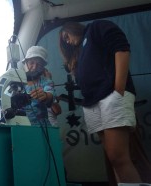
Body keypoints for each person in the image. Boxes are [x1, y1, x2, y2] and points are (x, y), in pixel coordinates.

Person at [59, 20, 142, 184]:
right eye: (64, 41)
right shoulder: (80, 51)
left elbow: (122, 48)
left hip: (111, 96)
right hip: (92, 103)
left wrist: (118, 89)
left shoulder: (95, 28)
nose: (66, 41)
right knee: (112, 159)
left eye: (65, 36)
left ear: (72, 28)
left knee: (119, 157)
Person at [22, 46, 55, 126]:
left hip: (42, 127)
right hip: (21, 126)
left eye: (39, 64)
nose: (34, 67)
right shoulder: (17, 80)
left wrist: (46, 95)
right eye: (31, 63)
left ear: (43, 67)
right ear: (26, 63)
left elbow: (50, 93)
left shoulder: (46, 81)